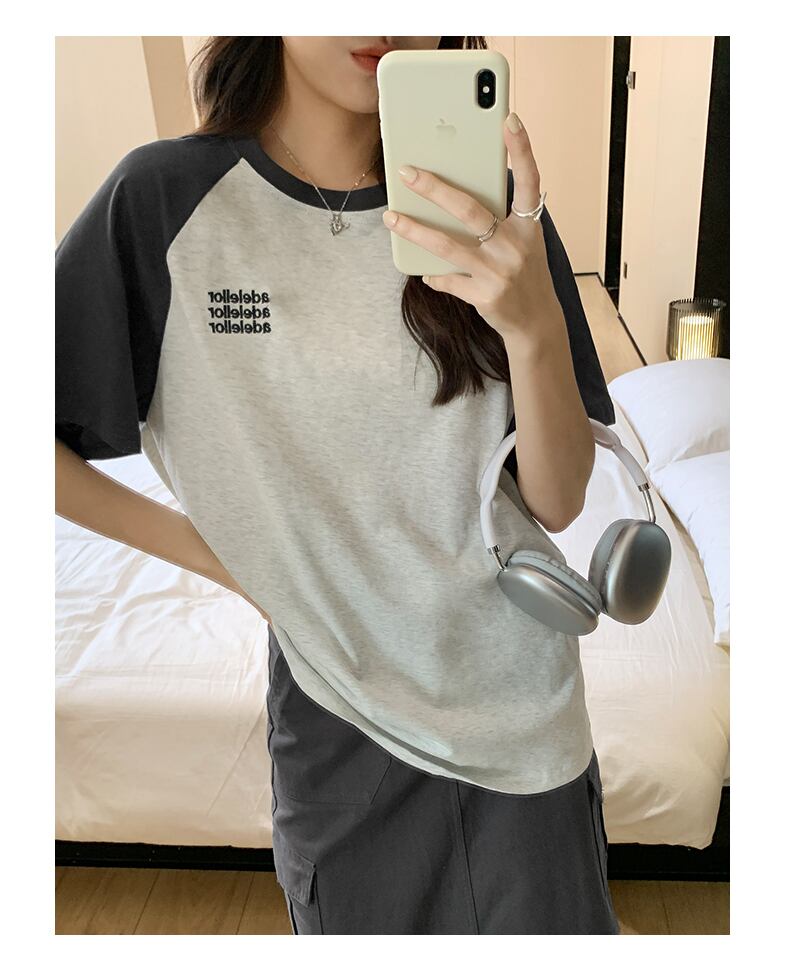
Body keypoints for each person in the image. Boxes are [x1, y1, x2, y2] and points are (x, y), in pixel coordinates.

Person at [55, 35, 621, 935]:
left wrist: (535, 326)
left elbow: (556, 500)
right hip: (339, 719)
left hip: (524, 715)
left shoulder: (493, 207)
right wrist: (233, 562)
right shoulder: (163, 201)